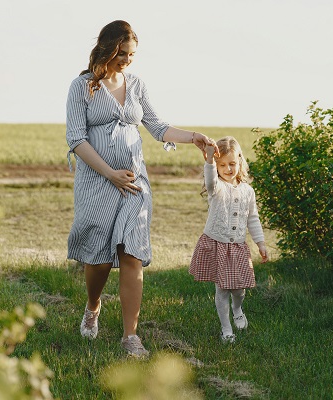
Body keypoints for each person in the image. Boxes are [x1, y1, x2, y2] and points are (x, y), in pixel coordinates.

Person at [65, 20, 217, 357]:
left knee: (131, 252)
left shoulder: (137, 85)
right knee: (99, 259)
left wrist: (193, 137)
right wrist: (109, 174)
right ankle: (93, 307)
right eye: (122, 53)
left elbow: (158, 126)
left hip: (134, 182)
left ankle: (130, 336)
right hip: (96, 181)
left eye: (132, 54)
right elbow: (76, 139)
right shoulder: (83, 87)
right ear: (107, 48)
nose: (127, 60)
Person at [189, 136, 268, 343]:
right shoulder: (217, 188)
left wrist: (260, 243)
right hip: (217, 244)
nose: (228, 169)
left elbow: (253, 219)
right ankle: (226, 329)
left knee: (239, 290)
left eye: (232, 163)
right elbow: (210, 180)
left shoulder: (248, 191)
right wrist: (208, 159)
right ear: (217, 166)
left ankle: (237, 308)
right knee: (222, 289)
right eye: (222, 165)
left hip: (238, 247)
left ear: (240, 161)